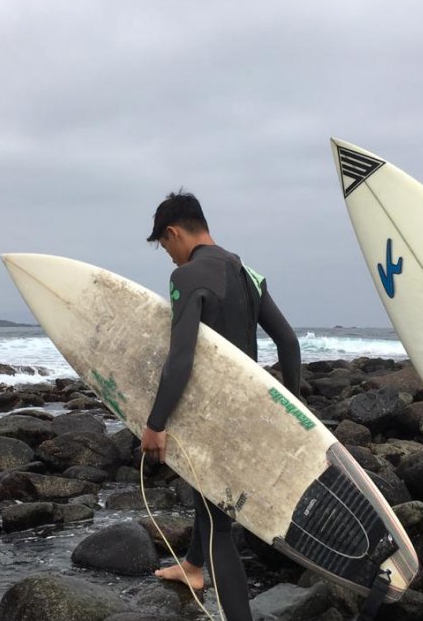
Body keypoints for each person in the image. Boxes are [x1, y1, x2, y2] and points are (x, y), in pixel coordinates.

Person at [140, 190, 302, 621]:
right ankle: (193, 567)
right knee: (208, 503)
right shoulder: (245, 270)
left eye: (165, 246)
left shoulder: (188, 277)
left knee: (217, 524)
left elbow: (181, 356)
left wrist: (155, 423)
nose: (170, 258)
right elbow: (288, 341)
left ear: (174, 233)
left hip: (212, 418)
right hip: (246, 410)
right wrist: (295, 410)